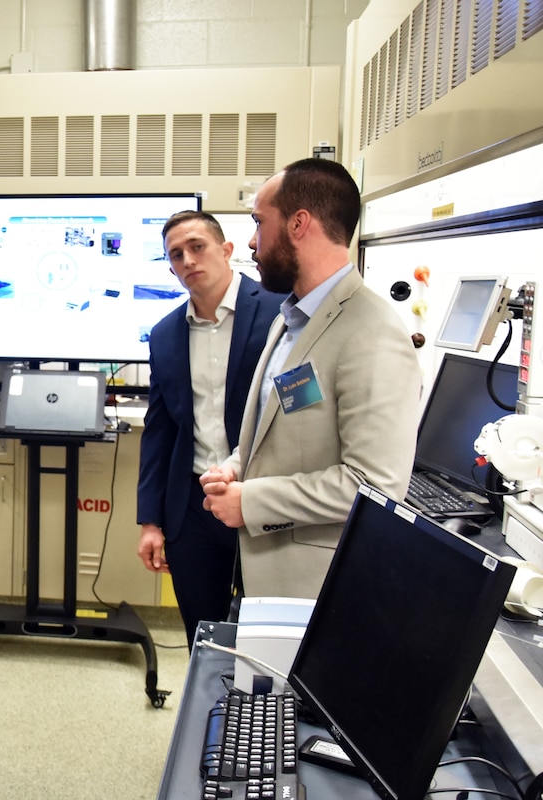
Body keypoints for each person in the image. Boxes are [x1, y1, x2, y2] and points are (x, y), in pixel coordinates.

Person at [200, 158, 419, 599]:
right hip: (266, 572)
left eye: (260, 222)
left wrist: (252, 501)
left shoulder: (371, 332)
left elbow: (374, 486)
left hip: (319, 588)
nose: (251, 241)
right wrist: (236, 467)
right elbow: (283, 428)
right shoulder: (292, 319)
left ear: (299, 223)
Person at [136, 210, 282, 648]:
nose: (188, 261)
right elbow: (159, 431)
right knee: (203, 635)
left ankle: (256, 715)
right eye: (176, 255)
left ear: (226, 249)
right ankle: (213, 715)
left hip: (264, 498)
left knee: (266, 638)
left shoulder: (280, 311)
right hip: (193, 508)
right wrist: (150, 521)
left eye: (197, 246)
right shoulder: (164, 335)